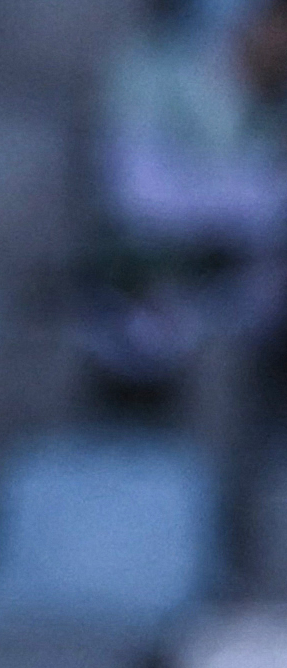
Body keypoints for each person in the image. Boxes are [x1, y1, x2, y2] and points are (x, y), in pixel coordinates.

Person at [90, 0, 287, 386]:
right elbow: (143, 196)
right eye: (277, 25)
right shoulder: (152, 69)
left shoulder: (277, 103)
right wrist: (259, 192)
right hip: (137, 288)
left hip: (242, 309)